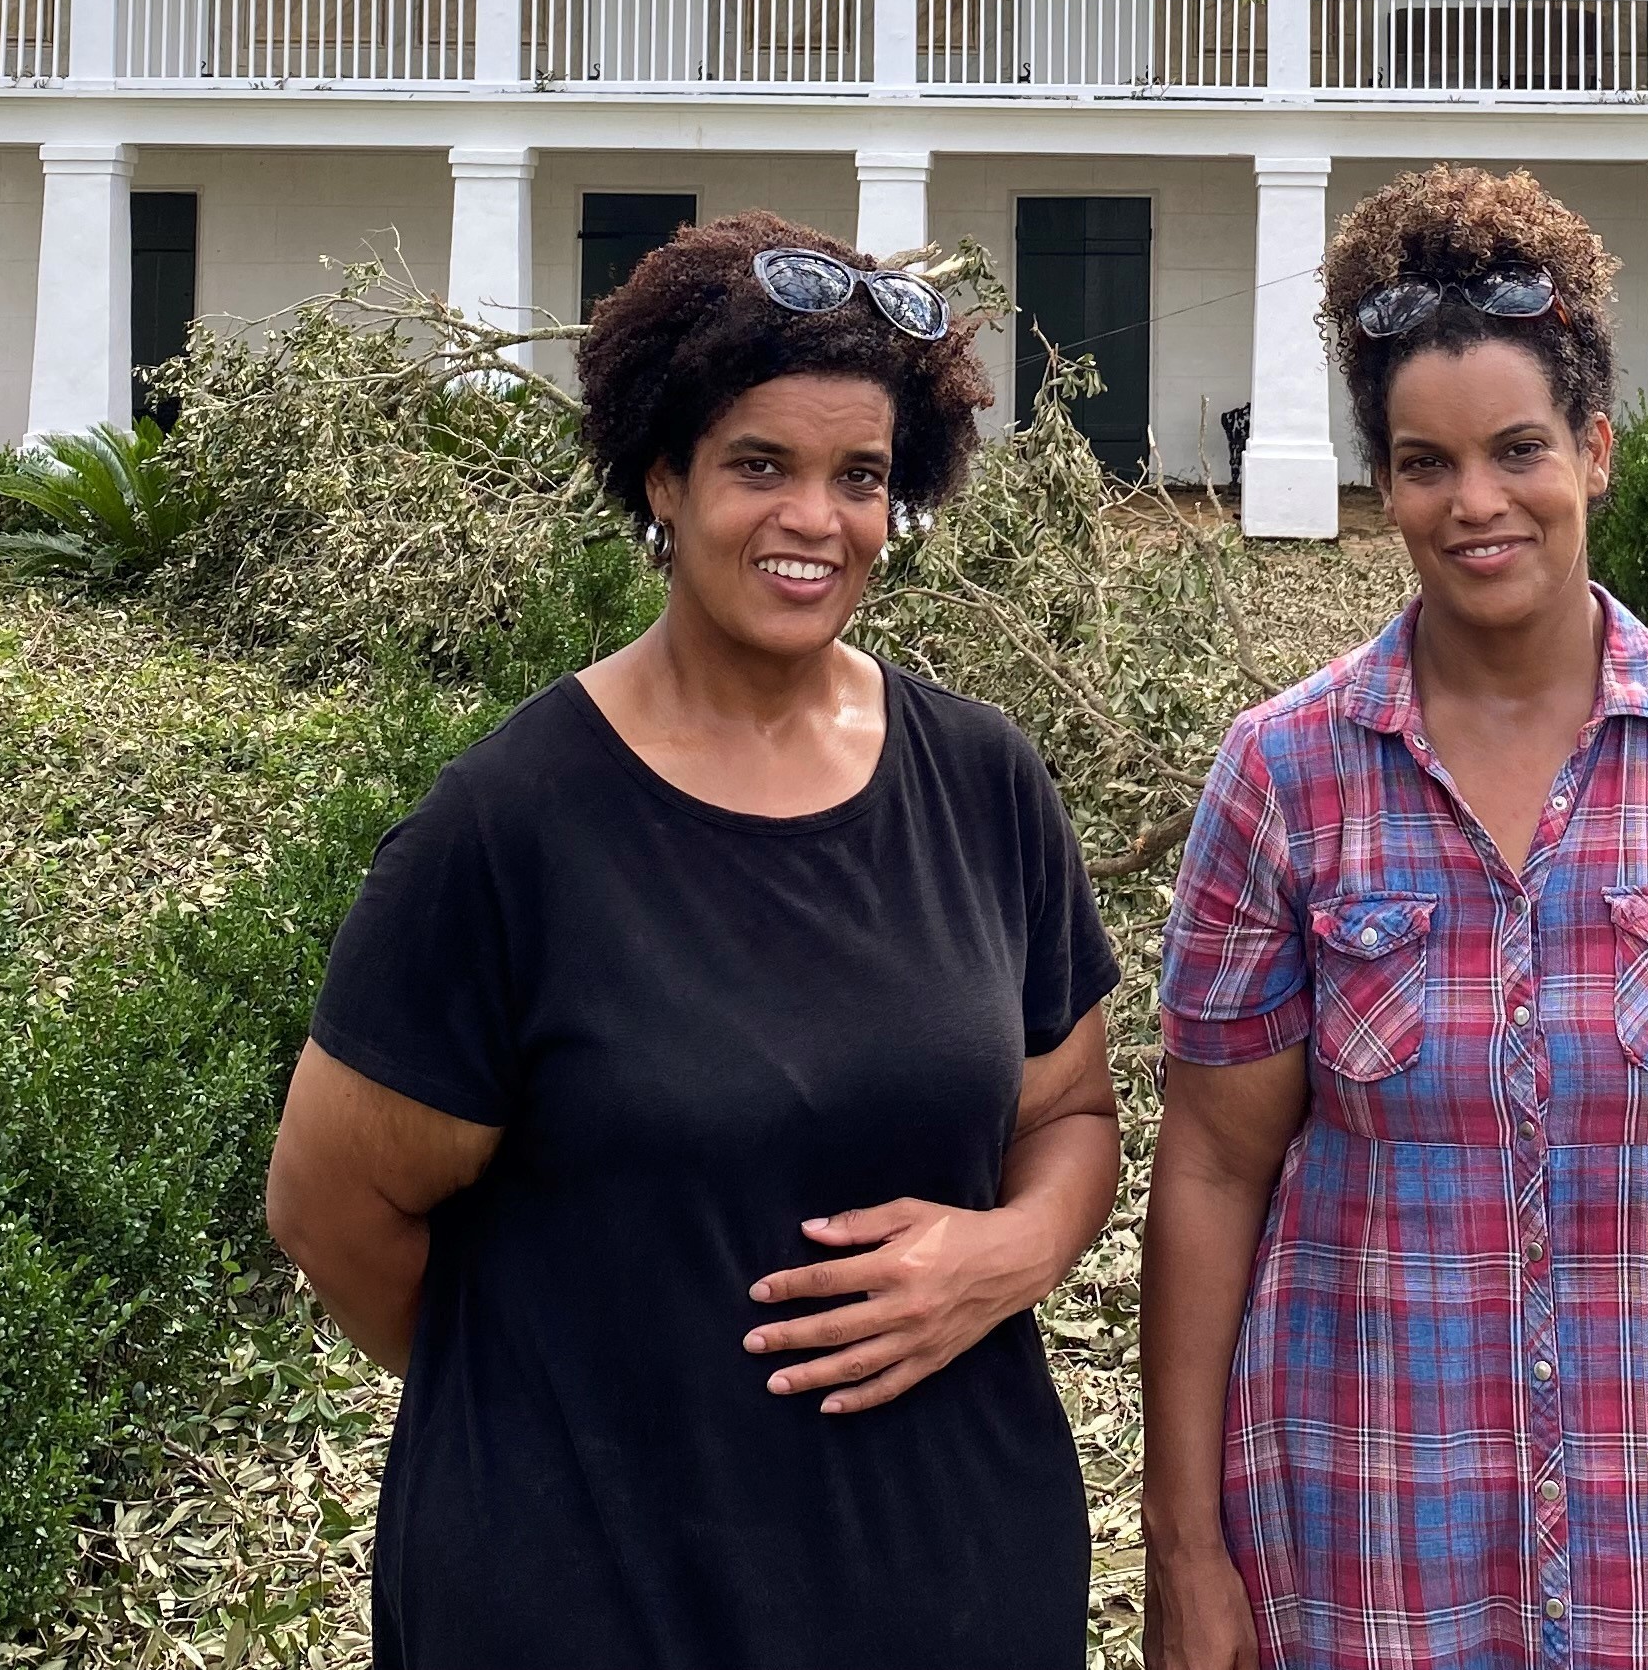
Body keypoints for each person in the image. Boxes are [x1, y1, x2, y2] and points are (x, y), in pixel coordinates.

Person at [264, 210, 1123, 1670]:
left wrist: (1012, 1248)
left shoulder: (982, 778)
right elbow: (330, 1209)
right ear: (660, 477)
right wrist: (583, 1397)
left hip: (949, 1576)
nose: (816, 519)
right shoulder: (510, 827)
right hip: (597, 1597)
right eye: (758, 464)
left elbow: (1073, 1111)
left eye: (859, 476)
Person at [1139, 165, 1648, 1670]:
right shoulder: (1284, 775)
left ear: (1597, 449)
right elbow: (1217, 1162)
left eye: (1517, 449)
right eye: (1424, 461)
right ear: (1384, 478)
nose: (1474, 500)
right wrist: (1185, 1548)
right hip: (1358, 1545)